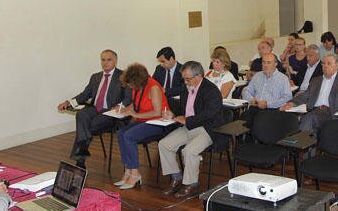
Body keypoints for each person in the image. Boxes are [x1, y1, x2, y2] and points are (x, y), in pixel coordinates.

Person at [159, 62, 226, 198]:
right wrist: (172, 114)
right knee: (164, 144)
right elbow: (184, 109)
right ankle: (177, 178)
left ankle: (191, 184)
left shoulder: (211, 91)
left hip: (207, 128)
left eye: (188, 79)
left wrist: (187, 120)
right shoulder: (187, 87)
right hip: (189, 126)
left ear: (199, 76)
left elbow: (209, 114)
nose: (185, 82)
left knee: (189, 151)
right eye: (184, 79)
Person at [56, 49, 131, 167]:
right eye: (103, 60)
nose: (105, 63)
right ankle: (81, 153)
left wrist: (120, 106)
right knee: (81, 114)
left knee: (86, 127)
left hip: (110, 112)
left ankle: (80, 160)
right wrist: (68, 102)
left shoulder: (123, 76)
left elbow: (129, 97)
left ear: (115, 61)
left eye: (109, 60)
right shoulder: (95, 77)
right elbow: (84, 95)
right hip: (95, 109)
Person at [114, 63, 169, 190]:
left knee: (129, 136)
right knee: (121, 133)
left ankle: (135, 173)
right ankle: (128, 170)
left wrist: (134, 114)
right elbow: (136, 104)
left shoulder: (153, 87)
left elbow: (157, 112)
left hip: (157, 123)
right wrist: (125, 109)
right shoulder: (138, 86)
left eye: (130, 84)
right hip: (143, 120)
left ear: (137, 81)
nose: (129, 86)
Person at [280, 54, 338, 135]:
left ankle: (302, 141)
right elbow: (305, 95)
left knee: (309, 120)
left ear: (337, 65)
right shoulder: (315, 80)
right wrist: (291, 103)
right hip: (315, 110)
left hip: (332, 113)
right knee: (305, 119)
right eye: (323, 63)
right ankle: (304, 141)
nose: (325, 66)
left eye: (329, 63)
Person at [241, 53, 292, 126]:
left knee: (260, 121)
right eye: (264, 62)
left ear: (275, 64)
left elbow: (287, 97)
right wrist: (251, 99)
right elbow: (247, 90)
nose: (265, 65)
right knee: (242, 119)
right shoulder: (257, 75)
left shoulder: (283, 79)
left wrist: (268, 104)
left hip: (272, 110)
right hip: (255, 107)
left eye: (268, 62)